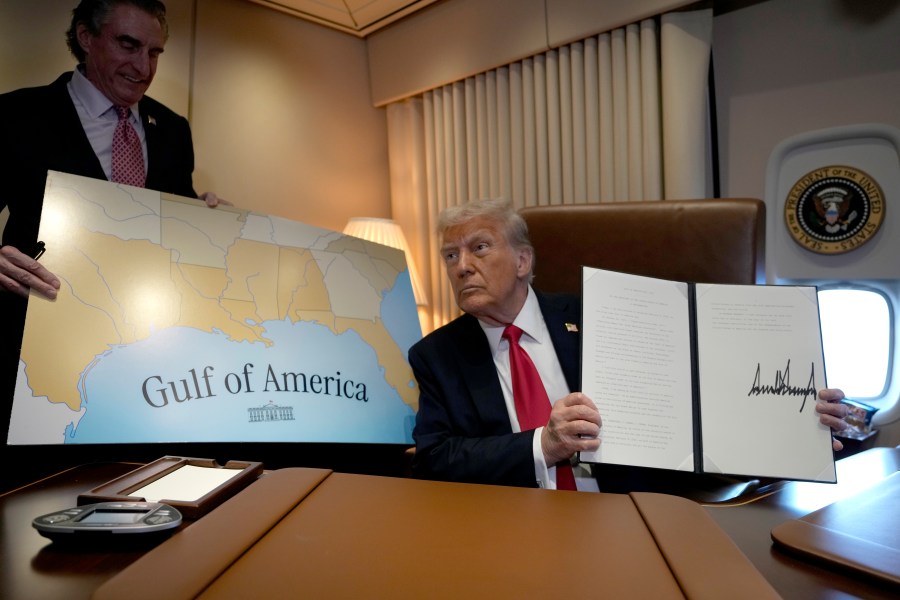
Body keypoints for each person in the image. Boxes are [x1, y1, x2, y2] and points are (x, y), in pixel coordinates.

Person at [408, 198, 851, 491]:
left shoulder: (603, 317)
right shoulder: (436, 355)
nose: (462, 266)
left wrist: (795, 429)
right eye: (451, 255)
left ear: (523, 260)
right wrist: (543, 444)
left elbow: (696, 411)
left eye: (479, 248)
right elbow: (434, 458)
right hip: (512, 526)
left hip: (628, 511)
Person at [0, 0, 227, 423]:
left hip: (147, 365)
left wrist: (208, 222)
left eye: (155, 52)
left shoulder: (174, 129)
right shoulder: (14, 116)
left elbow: (174, 227)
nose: (144, 68)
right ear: (86, 38)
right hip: (37, 361)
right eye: (129, 45)